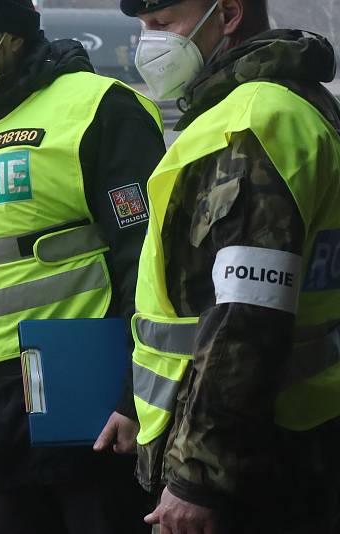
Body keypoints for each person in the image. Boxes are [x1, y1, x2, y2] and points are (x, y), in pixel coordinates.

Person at [0, 0, 167, 532]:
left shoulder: (98, 109)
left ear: (13, 38)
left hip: (80, 379)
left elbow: (146, 259)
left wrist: (134, 392)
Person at [120, 0, 340, 531]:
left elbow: (245, 314)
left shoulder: (253, 119)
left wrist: (198, 479)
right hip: (296, 431)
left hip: (254, 457)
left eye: (164, 24)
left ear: (230, 13)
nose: (148, 43)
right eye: (143, 28)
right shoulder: (278, 104)